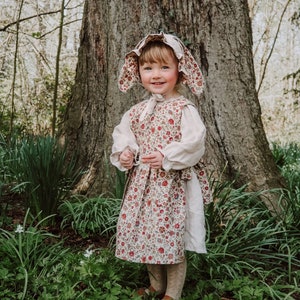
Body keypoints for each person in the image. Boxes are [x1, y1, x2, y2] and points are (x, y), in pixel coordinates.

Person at [110, 32, 211, 300]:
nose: (156, 74)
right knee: (146, 234)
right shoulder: (136, 111)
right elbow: (123, 135)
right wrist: (126, 153)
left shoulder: (183, 108)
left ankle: (173, 293)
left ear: (179, 70)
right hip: (142, 187)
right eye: (148, 67)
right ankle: (156, 285)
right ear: (138, 72)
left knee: (170, 237)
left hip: (171, 187)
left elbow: (195, 142)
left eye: (164, 67)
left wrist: (167, 155)